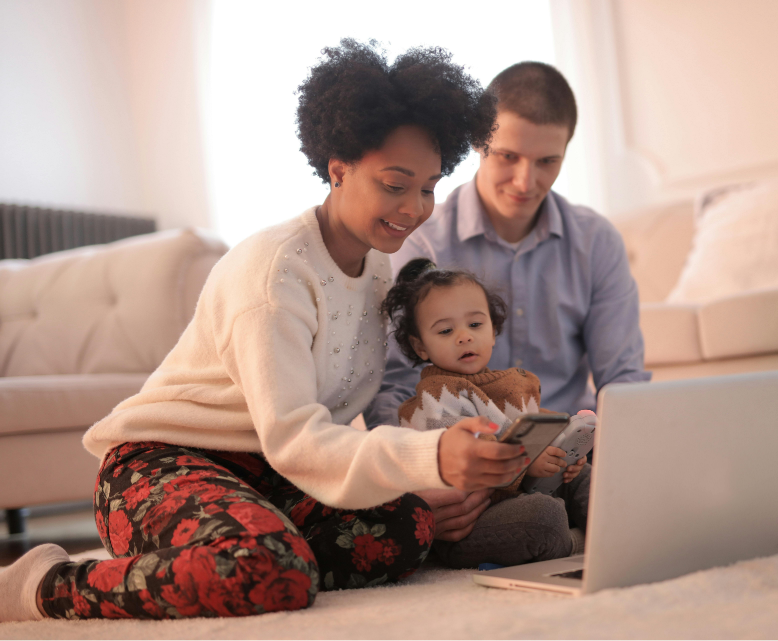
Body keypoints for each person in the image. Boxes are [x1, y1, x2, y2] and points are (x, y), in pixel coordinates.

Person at [0, 40, 512, 623]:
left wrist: (420, 474)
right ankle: (44, 584)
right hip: (159, 466)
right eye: (395, 185)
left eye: (428, 185)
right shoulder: (276, 273)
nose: (416, 207)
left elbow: (328, 429)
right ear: (338, 168)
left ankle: (240, 541)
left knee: (405, 525)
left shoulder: (375, 267)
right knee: (266, 569)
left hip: (269, 473)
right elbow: (296, 437)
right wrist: (430, 455)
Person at [365, 62, 650, 544]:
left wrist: (631, 458)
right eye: (508, 156)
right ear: (478, 145)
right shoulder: (421, 242)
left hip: (571, 455)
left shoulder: (596, 241)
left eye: (547, 162)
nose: (525, 181)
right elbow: (391, 385)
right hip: (467, 464)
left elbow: (622, 381)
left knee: (640, 497)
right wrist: (417, 480)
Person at [382, 258, 592, 568]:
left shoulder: (516, 382)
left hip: (528, 492)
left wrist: (567, 456)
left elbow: (544, 427)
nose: (464, 336)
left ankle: (617, 530)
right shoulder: (435, 397)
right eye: (445, 331)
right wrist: (527, 465)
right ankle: (578, 542)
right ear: (420, 346)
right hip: (472, 522)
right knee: (543, 517)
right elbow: (469, 462)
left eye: (476, 325)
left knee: (591, 478)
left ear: (493, 331)